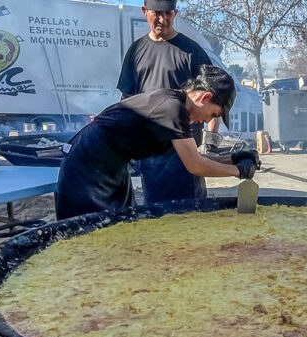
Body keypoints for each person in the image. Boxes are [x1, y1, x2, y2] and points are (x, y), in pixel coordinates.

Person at [56, 66, 258, 221]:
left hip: (110, 168)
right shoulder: (172, 108)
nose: (208, 121)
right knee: (89, 238)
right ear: (205, 97)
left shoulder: (176, 108)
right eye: (213, 114)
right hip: (87, 169)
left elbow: (193, 157)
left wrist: (234, 158)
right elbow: (195, 165)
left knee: (122, 228)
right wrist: (237, 171)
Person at [117, 0, 223, 205]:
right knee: (156, 216)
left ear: (175, 13)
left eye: (168, 14)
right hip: (151, 153)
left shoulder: (192, 52)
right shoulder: (136, 51)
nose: (163, 20)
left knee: (193, 213)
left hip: (186, 149)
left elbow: (214, 100)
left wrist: (210, 141)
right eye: (157, 13)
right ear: (144, 11)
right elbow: (127, 100)